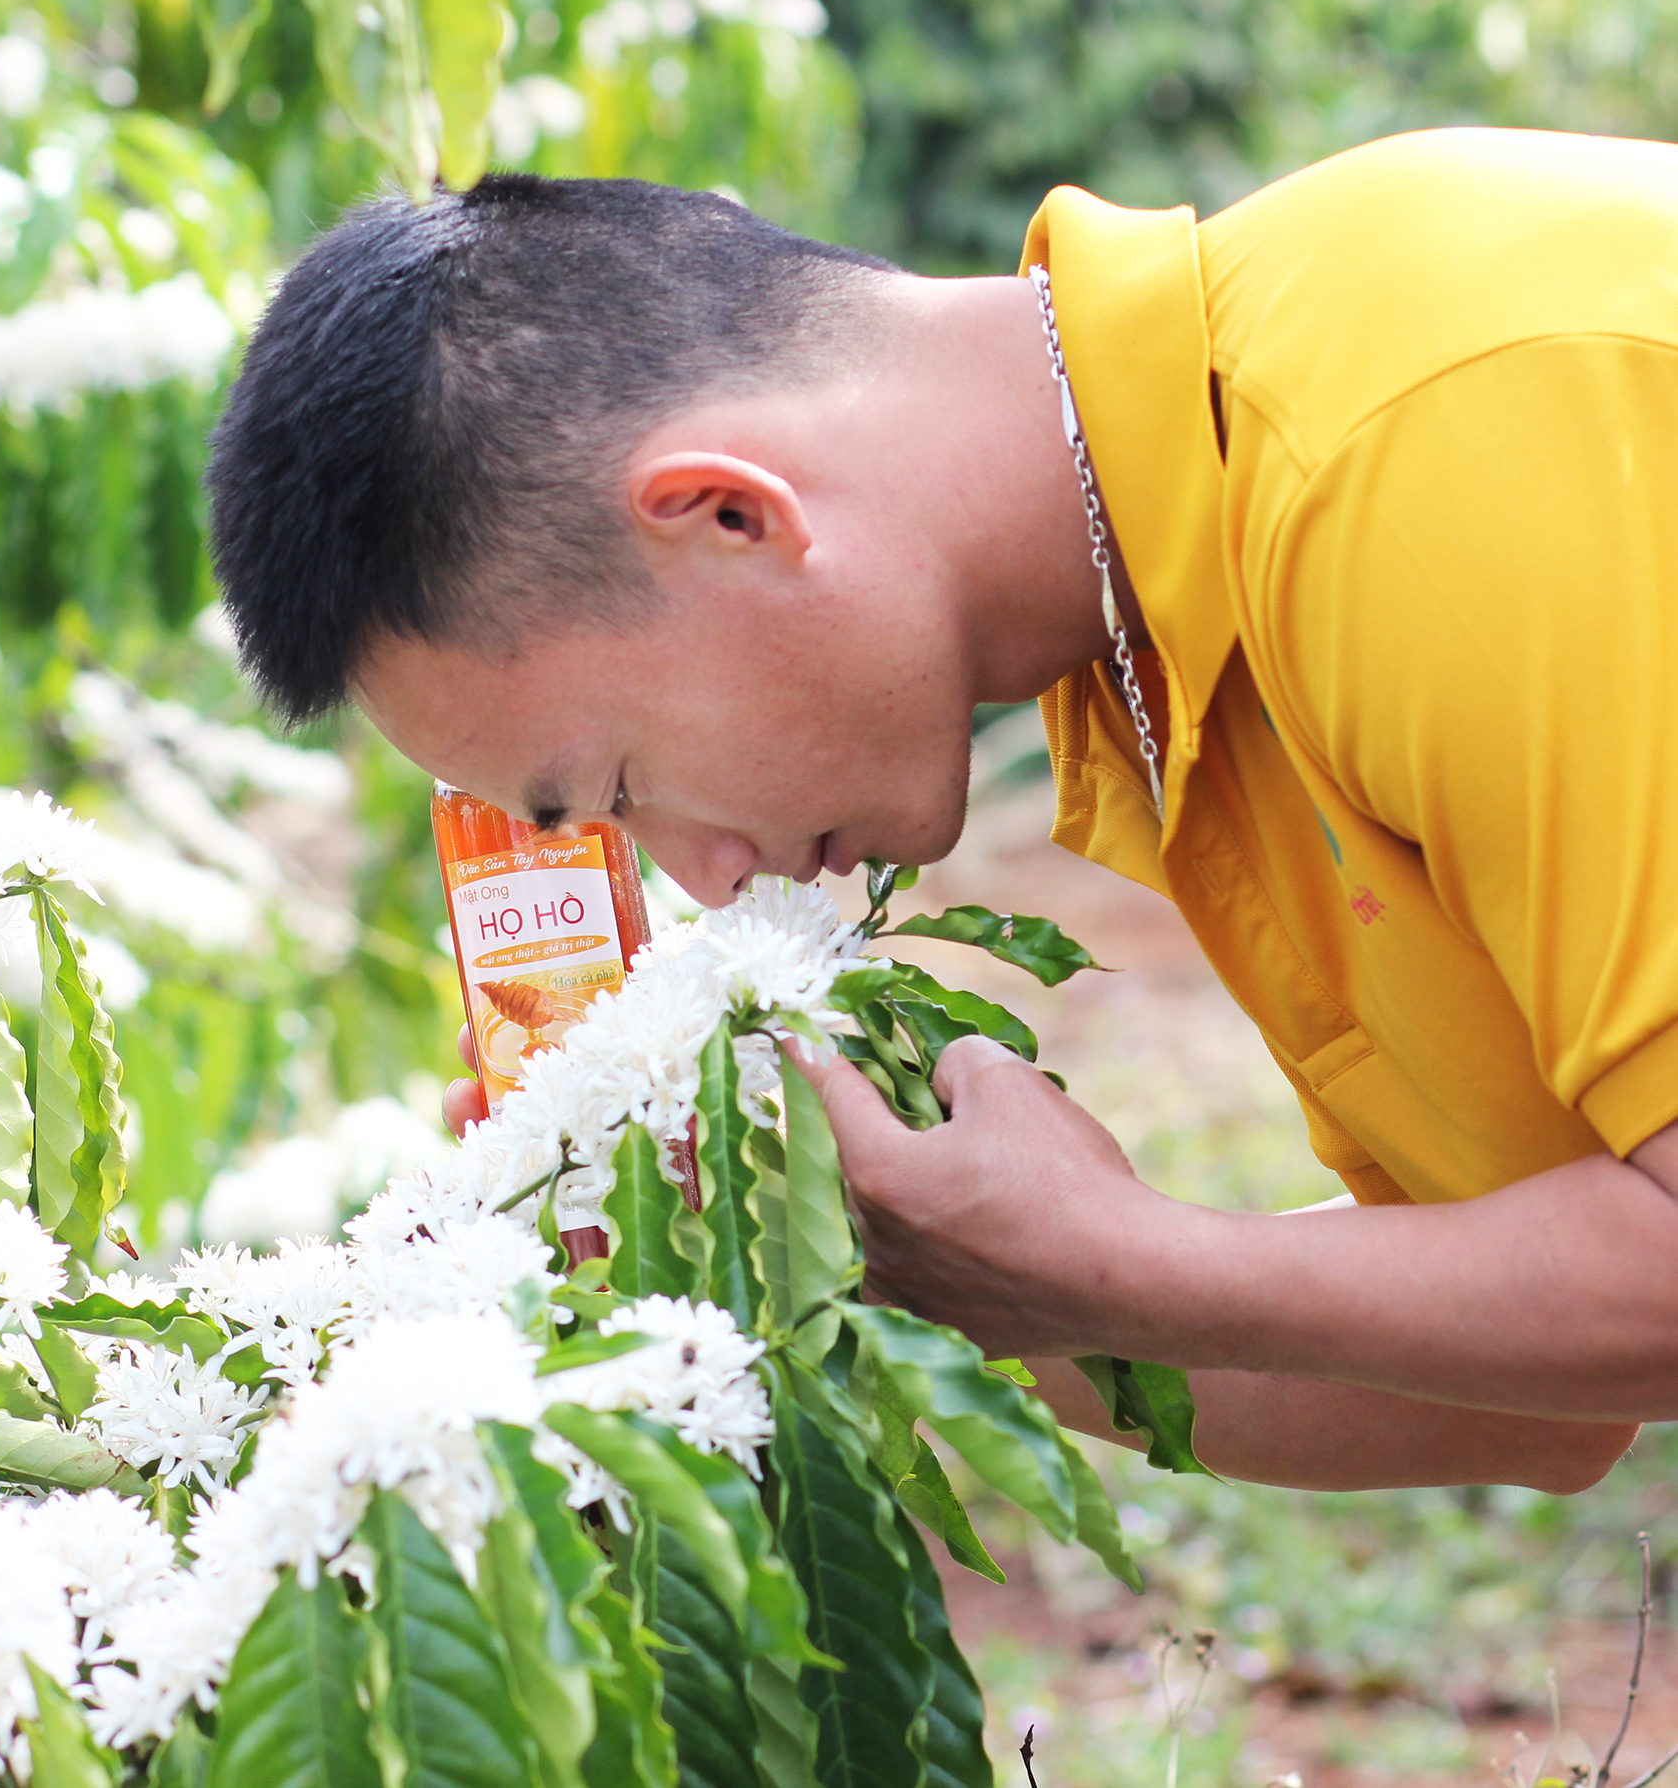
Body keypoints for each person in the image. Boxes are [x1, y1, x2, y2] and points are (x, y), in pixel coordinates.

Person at [205, 126, 1678, 1495]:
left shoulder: (1400, 445)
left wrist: (1125, 1263)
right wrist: (883, 1263)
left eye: (624, 789)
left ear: (731, 515)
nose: (707, 883)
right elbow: (1537, 1392)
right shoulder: (1147, 650)